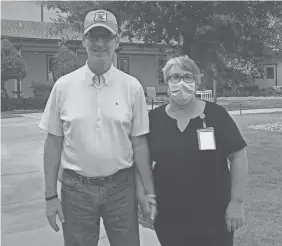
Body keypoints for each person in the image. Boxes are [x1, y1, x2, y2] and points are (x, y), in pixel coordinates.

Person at [39, 9, 156, 246]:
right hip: (76, 190)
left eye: (107, 37)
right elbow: (53, 142)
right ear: (84, 40)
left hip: (121, 189)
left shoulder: (131, 87)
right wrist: (50, 195)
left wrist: (147, 192)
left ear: (117, 42)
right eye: (93, 37)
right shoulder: (64, 87)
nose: (100, 43)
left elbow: (140, 144)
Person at [145, 55, 249, 246]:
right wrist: (146, 197)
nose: (181, 83)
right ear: (167, 82)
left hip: (214, 216)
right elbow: (143, 163)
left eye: (187, 77)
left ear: (197, 81)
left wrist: (236, 202)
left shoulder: (217, 116)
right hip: (169, 216)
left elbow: (238, 156)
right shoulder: (154, 119)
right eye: (175, 77)